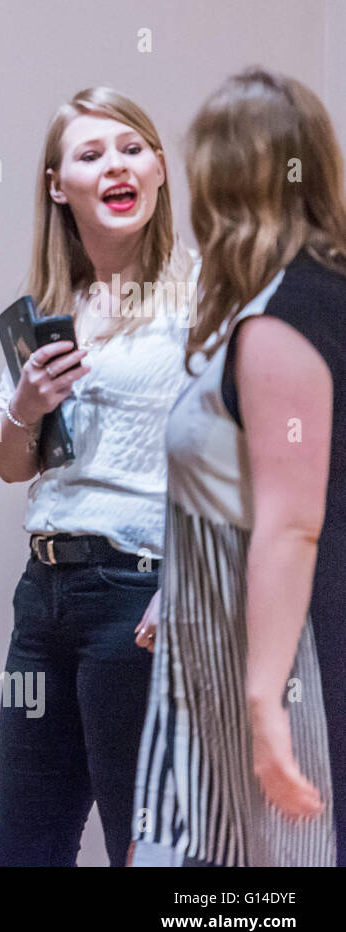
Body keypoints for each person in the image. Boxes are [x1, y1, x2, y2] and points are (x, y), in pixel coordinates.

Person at [132, 68, 346, 867]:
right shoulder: (271, 307)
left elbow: (294, 522)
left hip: (283, 671)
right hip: (221, 660)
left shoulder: (293, 314)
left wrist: (264, 707)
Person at [0, 87, 196, 867]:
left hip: (140, 599)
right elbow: (10, 465)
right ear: (55, 183)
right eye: (91, 152)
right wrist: (30, 405)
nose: (116, 164)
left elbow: (245, 459)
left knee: (143, 849)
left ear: (161, 169)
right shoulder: (46, 306)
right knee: (21, 848)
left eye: (132, 147)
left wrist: (192, 587)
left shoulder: (204, 295)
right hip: (42, 598)